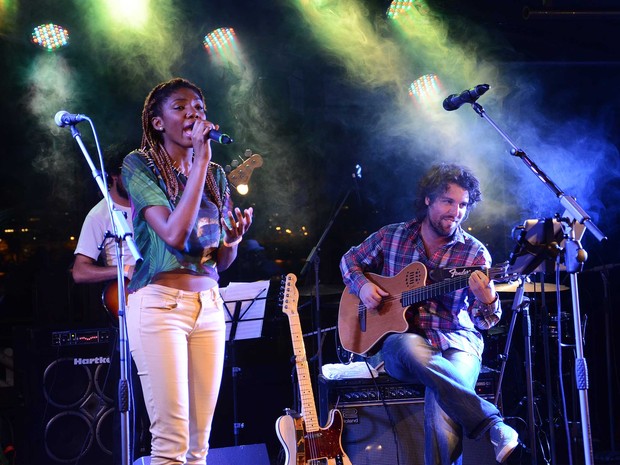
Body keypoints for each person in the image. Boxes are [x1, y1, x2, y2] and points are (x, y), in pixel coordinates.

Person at [340, 163, 519, 465]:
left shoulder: (475, 255)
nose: (456, 212)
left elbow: (482, 322)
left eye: (463, 205)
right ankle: (494, 426)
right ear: (428, 199)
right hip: (402, 346)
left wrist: (488, 300)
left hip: (457, 342)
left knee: (443, 400)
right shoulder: (391, 236)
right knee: (410, 346)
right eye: (448, 202)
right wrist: (363, 288)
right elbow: (349, 261)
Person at [121, 77, 253, 465]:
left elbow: (221, 265)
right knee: (171, 442)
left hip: (209, 305)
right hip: (159, 306)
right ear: (158, 122)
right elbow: (175, 234)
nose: (193, 113)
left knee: (199, 445)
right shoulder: (140, 165)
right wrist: (201, 160)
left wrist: (232, 239)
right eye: (180, 107)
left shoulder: (215, 177)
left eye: (198, 107)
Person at [71, 146, 151, 460]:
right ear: (114, 176)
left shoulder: (152, 207)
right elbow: (79, 272)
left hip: (162, 300)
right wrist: (123, 270)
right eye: (129, 173)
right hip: (128, 309)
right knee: (134, 401)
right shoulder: (100, 214)